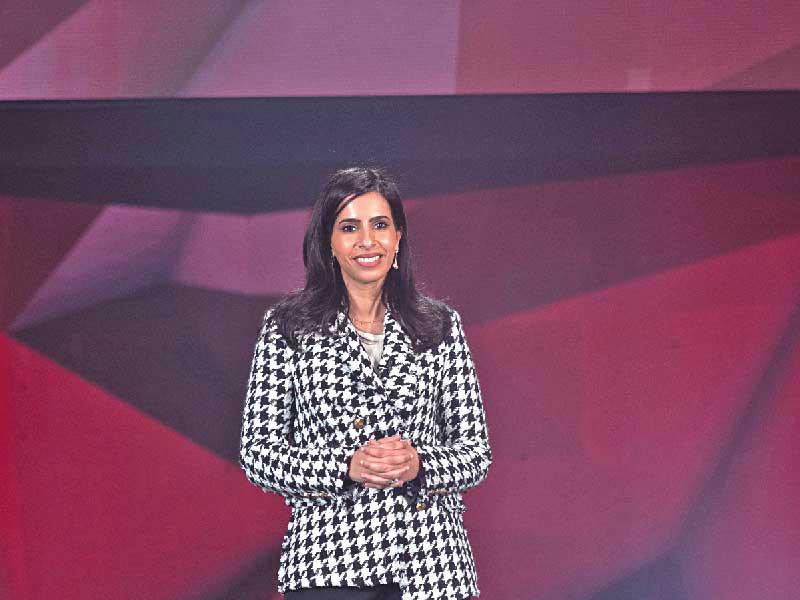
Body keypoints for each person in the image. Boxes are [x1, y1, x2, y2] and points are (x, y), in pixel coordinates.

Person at [239, 167, 492, 600]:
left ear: (398, 238)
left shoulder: (439, 326)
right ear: (328, 243)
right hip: (330, 562)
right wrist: (345, 467)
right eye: (349, 227)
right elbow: (258, 454)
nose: (367, 241)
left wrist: (419, 465)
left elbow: (475, 453)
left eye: (379, 225)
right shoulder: (289, 327)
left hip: (431, 566)